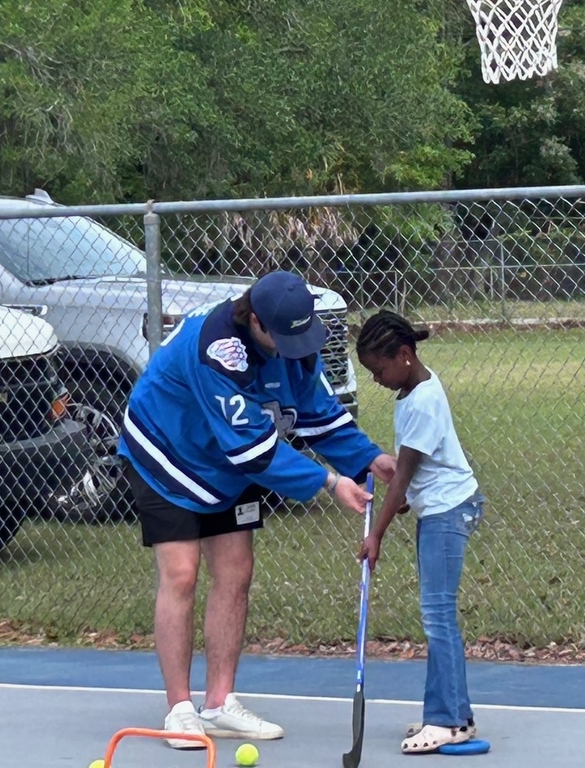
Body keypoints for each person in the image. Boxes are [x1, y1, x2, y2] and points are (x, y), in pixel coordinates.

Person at [118, 270, 397, 749]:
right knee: (182, 572)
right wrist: (330, 482)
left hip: (227, 461)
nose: (298, 349)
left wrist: (370, 459)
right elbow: (253, 451)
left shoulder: (297, 342)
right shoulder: (219, 349)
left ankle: (220, 703)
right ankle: (181, 709)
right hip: (167, 452)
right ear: (256, 321)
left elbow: (320, 415)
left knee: (235, 571)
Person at [354, 309, 484, 755]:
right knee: (437, 614)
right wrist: (407, 497)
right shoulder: (412, 392)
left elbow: (404, 478)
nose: (376, 379)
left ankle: (447, 719)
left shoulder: (424, 400)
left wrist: (377, 535)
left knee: (438, 614)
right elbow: (413, 477)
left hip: (450, 511)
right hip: (439, 508)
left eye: (378, 369)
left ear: (404, 355)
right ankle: (450, 713)